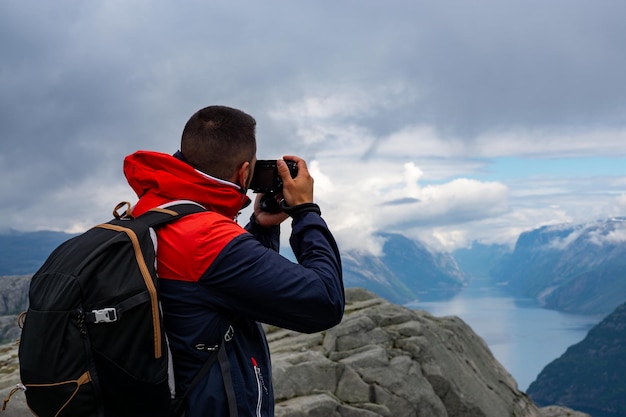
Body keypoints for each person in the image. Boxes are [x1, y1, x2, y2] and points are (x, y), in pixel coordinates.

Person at [123, 105, 345, 417]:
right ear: (243, 172)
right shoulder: (206, 240)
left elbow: (224, 285)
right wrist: (306, 211)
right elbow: (325, 302)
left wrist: (261, 227)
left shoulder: (153, 211)